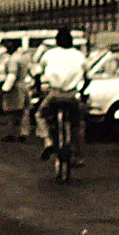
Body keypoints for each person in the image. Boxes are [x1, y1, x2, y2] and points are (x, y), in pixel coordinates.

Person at [33, 28, 90, 167]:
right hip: (72, 95)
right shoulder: (79, 56)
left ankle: (49, 141)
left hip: (54, 94)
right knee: (77, 124)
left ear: (57, 42)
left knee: (40, 115)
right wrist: (82, 91)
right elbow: (88, 77)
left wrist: (39, 88)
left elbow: (37, 73)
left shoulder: (49, 54)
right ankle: (77, 155)